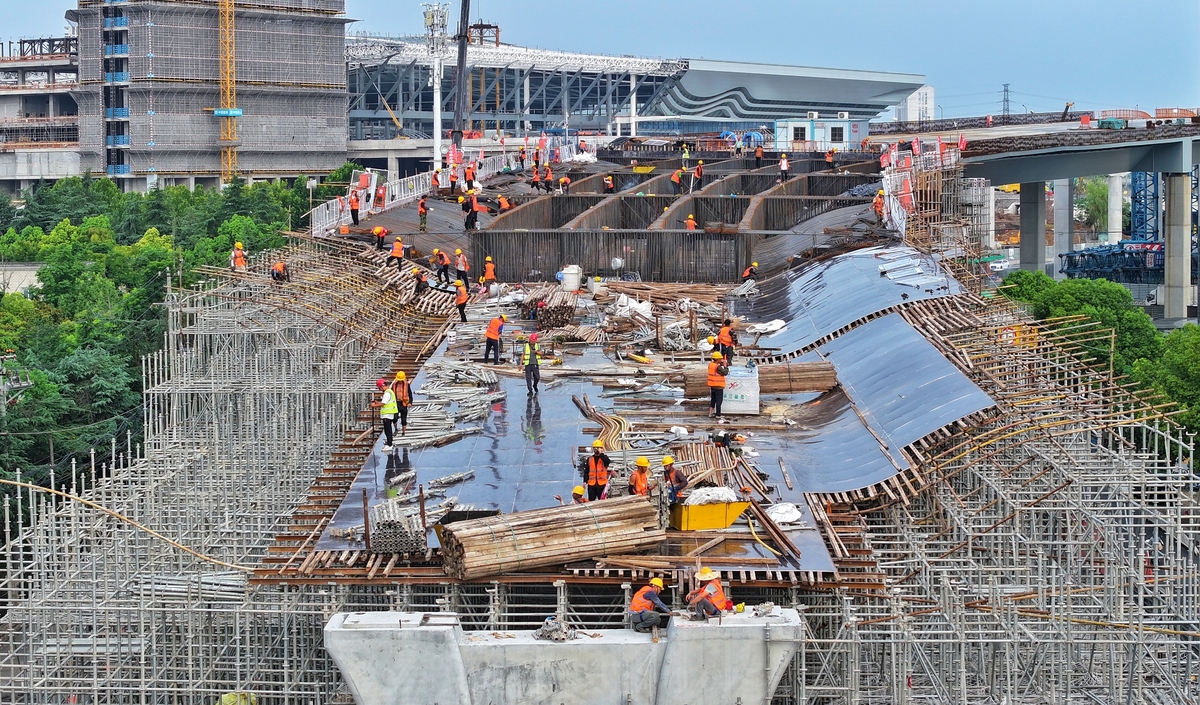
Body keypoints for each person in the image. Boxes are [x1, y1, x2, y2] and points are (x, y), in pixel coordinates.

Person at [370, 375, 399, 451]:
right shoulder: (389, 392)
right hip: (388, 414)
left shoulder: (387, 393)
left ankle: (389, 444)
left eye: (379, 388)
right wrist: (378, 402)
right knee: (387, 430)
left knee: (388, 430)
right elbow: (384, 402)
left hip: (387, 414)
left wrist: (374, 405)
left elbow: (383, 404)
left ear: (382, 386)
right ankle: (389, 443)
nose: (380, 390)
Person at [392, 371, 414, 436]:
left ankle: (403, 432)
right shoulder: (394, 385)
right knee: (394, 418)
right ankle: (396, 429)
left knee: (403, 419)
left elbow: (410, 394)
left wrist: (410, 402)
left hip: (404, 404)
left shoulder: (407, 385)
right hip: (396, 404)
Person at [708, 351, 728, 418]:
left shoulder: (711, 364)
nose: (721, 360)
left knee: (713, 400)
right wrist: (725, 366)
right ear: (717, 359)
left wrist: (720, 365)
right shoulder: (717, 367)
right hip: (718, 386)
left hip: (712, 385)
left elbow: (716, 371)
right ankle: (718, 415)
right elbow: (725, 373)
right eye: (720, 359)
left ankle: (710, 413)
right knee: (719, 401)